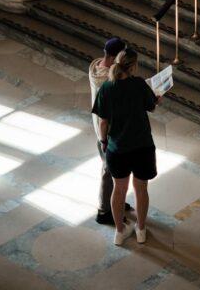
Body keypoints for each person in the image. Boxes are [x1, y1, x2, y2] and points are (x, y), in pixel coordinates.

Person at [92, 47, 159, 246]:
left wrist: (104, 141)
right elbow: (152, 105)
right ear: (134, 66)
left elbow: (103, 121)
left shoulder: (107, 87)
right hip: (142, 146)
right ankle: (140, 229)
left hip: (117, 148)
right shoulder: (138, 84)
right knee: (141, 190)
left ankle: (120, 232)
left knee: (119, 190)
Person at [89, 36, 133, 225]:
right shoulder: (108, 81)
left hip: (100, 126)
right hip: (107, 132)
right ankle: (104, 210)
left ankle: (117, 201)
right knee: (109, 170)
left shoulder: (95, 65)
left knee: (115, 169)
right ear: (116, 57)